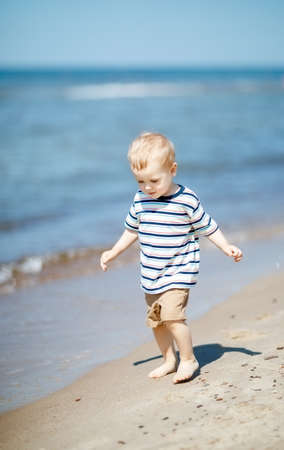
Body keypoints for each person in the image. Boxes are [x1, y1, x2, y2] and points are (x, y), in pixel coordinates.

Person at [100, 132, 243, 384]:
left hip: (179, 271)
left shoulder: (186, 199)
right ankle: (169, 359)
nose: (147, 187)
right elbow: (131, 230)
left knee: (173, 317)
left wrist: (226, 246)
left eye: (154, 180)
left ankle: (188, 359)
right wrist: (113, 252)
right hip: (151, 273)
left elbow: (207, 226)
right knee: (157, 322)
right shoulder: (141, 199)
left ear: (172, 169)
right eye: (140, 181)